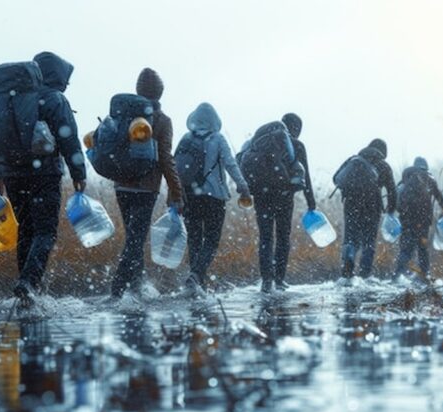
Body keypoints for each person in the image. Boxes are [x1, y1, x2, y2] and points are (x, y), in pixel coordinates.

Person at [0, 51, 87, 308]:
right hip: (45, 174)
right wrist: (79, 174)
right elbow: (69, 139)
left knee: (26, 231)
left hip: (12, 175)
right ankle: (28, 284)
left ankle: (26, 288)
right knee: (45, 232)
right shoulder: (53, 99)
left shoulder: (2, 99)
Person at [110, 67, 184, 299]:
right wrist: (176, 189)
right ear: (160, 92)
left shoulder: (124, 114)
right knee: (135, 240)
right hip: (145, 187)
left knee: (134, 238)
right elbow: (165, 158)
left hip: (122, 185)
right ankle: (117, 290)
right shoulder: (162, 120)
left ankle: (136, 286)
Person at [177, 103, 251, 292]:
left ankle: (196, 282)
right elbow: (230, 164)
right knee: (211, 239)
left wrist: (175, 194)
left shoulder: (186, 139)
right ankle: (196, 276)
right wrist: (243, 186)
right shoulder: (218, 139)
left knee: (194, 238)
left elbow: (174, 166)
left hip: (189, 196)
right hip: (214, 197)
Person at [243, 117, 312, 293]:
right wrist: (311, 202)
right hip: (284, 195)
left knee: (266, 237)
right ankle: (279, 280)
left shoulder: (258, 143)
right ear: (296, 128)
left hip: (261, 193)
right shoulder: (297, 145)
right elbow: (306, 176)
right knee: (282, 236)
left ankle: (266, 281)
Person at [337, 139, 397, 282]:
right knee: (368, 242)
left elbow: (337, 179)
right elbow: (392, 191)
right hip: (372, 206)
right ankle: (365, 274)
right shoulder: (383, 165)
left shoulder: (353, 160)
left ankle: (348, 268)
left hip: (351, 205)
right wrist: (391, 210)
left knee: (350, 237)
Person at [393, 157, 443, 281]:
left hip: (406, 220)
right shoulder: (429, 178)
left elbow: (396, 196)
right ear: (426, 167)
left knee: (406, 249)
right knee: (422, 249)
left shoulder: (405, 178)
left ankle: (397, 276)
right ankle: (424, 275)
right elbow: (439, 197)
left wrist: (396, 211)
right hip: (423, 221)